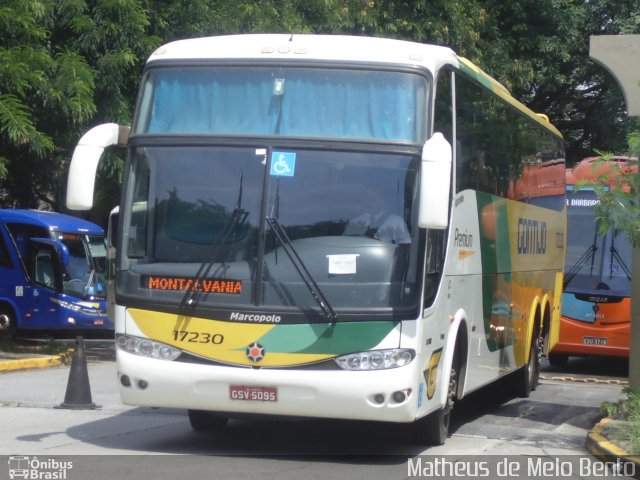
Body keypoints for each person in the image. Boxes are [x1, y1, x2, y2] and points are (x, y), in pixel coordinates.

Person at [344, 188, 411, 245]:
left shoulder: (396, 221)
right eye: (370, 198)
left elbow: (405, 246)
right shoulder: (354, 223)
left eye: (378, 198)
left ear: (383, 200)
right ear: (364, 200)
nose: (374, 202)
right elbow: (347, 246)